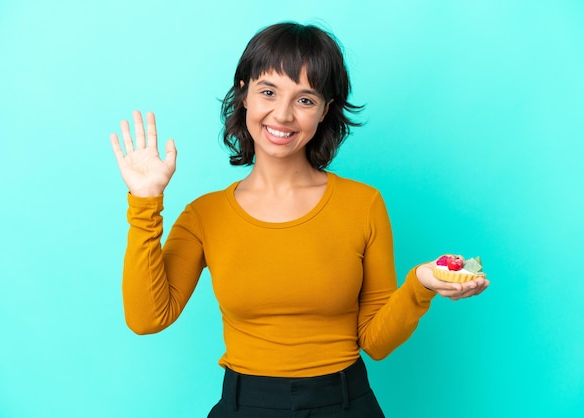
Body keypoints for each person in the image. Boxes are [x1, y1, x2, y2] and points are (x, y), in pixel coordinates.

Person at [110, 22, 489, 418]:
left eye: (305, 100)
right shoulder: (205, 215)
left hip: (345, 404)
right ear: (244, 93)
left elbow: (375, 343)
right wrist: (145, 200)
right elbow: (147, 318)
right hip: (246, 405)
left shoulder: (363, 204)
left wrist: (418, 286)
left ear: (325, 109)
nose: (283, 115)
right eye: (268, 92)